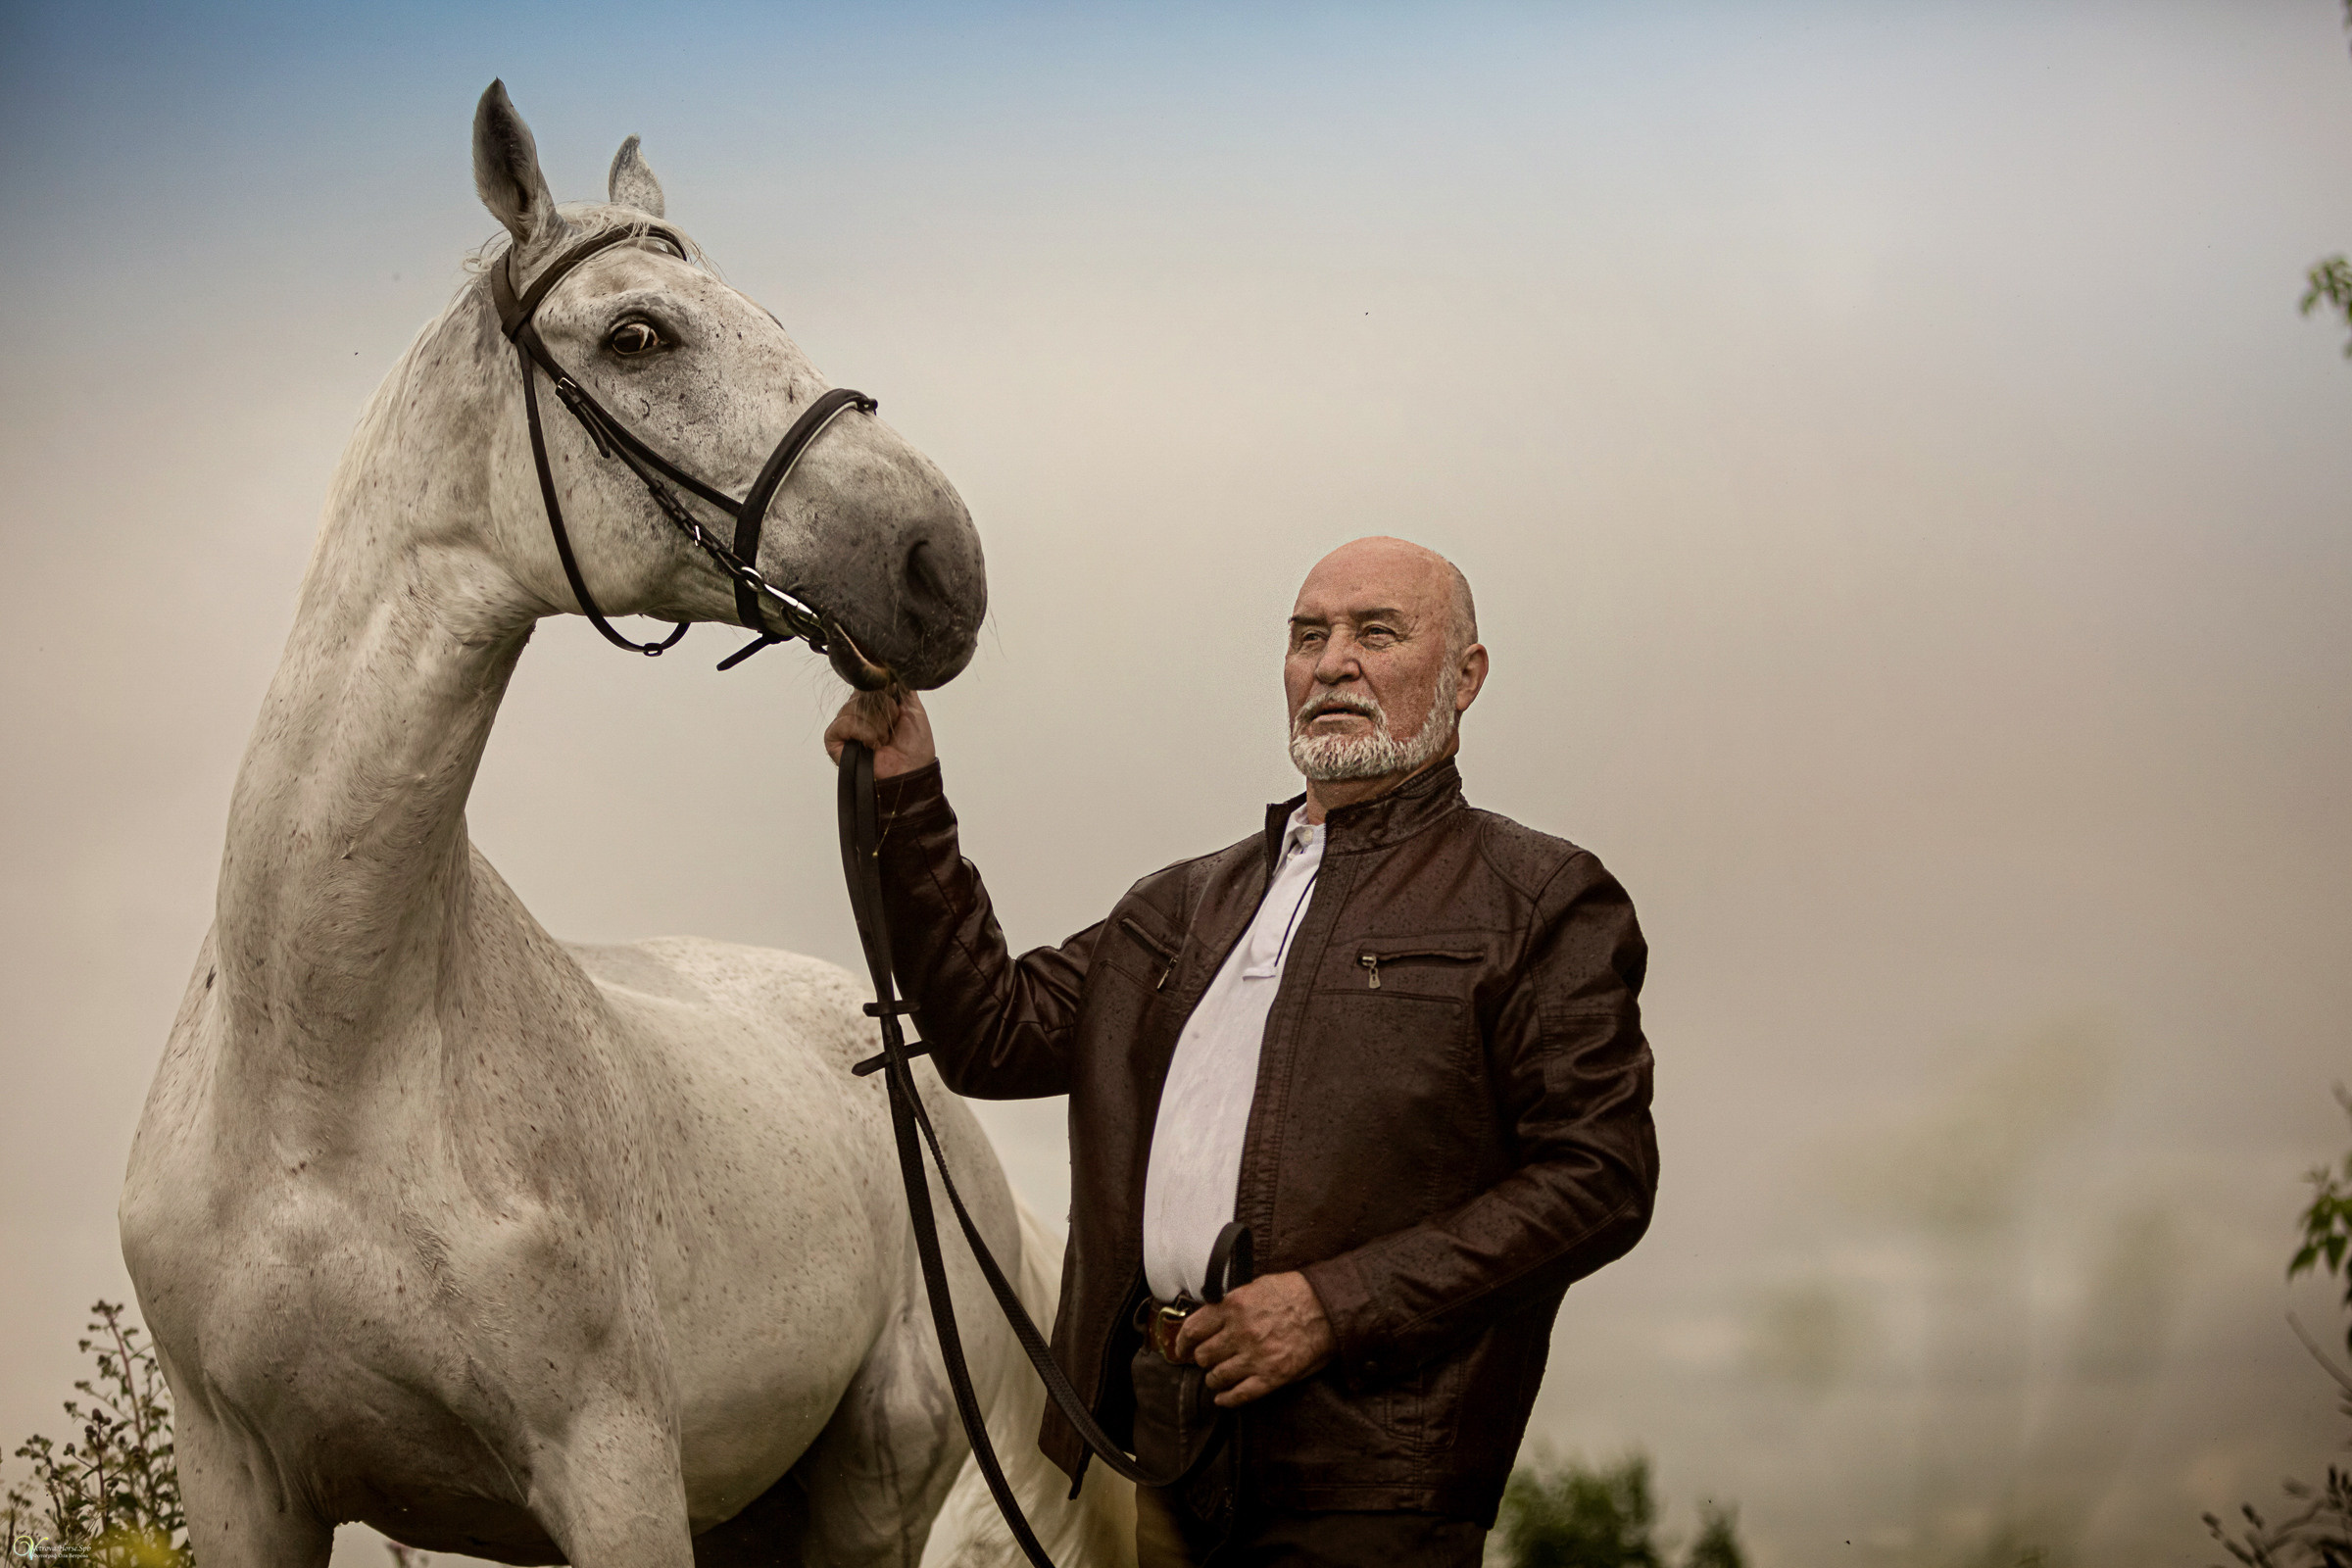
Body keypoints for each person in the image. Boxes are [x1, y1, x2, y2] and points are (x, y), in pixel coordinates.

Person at [824, 536, 1657, 1566]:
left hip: (1375, 1477)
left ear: (1466, 676)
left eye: (1376, 632)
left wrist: (1330, 1307)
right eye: (1309, 636)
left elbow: (1602, 1176)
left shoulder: (1536, 898)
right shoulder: (1182, 906)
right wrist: (907, 795)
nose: (1334, 661)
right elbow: (990, 1031)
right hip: (1165, 1447)